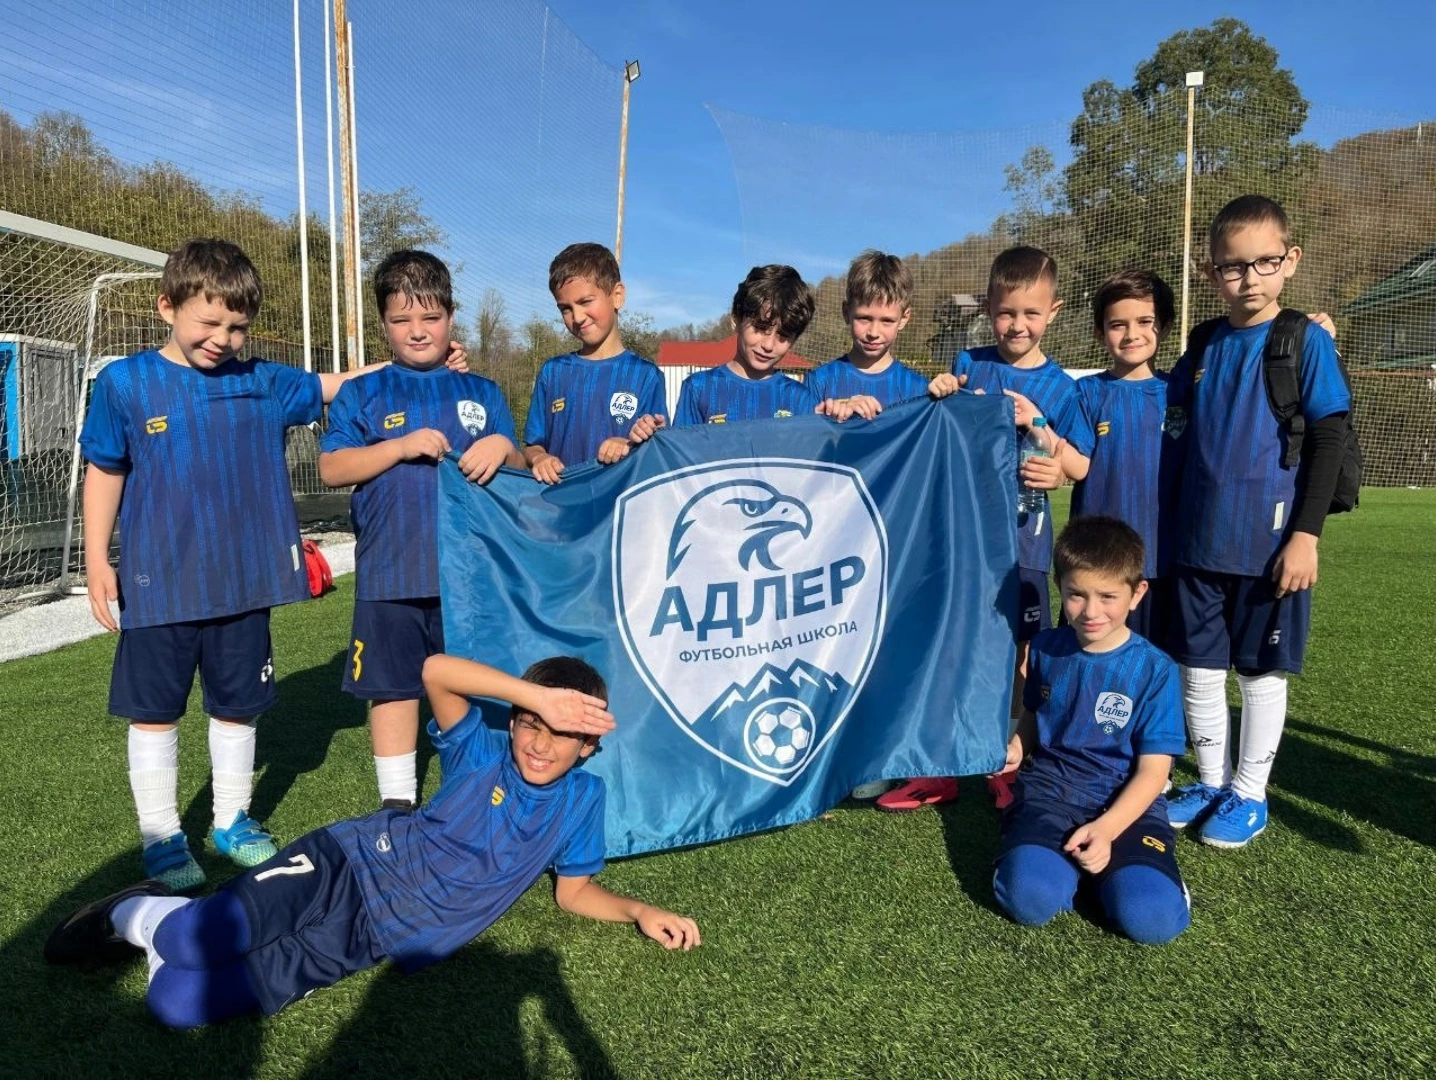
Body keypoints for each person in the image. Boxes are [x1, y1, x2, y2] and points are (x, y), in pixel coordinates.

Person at [79, 238, 463, 891]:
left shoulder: (261, 381)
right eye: (210, 322)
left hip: (242, 582)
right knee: (156, 712)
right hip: (157, 585)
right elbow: (105, 470)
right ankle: (162, 837)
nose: (223, 339)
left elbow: (336, 385)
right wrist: (95, 559)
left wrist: (421, 360)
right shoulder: (125, 384)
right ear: (166, 305)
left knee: (238, 707)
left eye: (237, 327)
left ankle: (231, 821)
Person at [45, 653, 701, 1029]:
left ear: (590, 746)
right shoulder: (483, 753)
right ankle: (139, 910)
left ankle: (174, 928)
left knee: (177, 1004)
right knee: (190, 941)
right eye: (531, 723)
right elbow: (435, 670)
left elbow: (575, 892)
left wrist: (641, 911)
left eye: (561, 734)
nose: (539, 742)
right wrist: (535, 695)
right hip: (347, 862)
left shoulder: (583, 800)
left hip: (373, 936)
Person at [1164, 195, 1351, 848]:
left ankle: (1250, 794)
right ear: (1210, 271)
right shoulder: (1204, 342)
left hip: (1269, 549)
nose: (1247, 278)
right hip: (1196, 544)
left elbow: (1329, 438)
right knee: (1199, 669)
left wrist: (1306, 536)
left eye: (1263, 263)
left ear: (1290, 260)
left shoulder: (1302, 340)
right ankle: (1213, 781)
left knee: (1260, 675)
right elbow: (1176, 419)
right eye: (1231, 267)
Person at [318, 250, 523, 812]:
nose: (417, 331)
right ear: (382, 324)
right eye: (402, 319)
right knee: (392, 689)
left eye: (430, 317)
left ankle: (479, 791)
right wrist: (400, 447)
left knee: (477, 684)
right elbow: (332, 467)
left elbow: (525, 467)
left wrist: (503, 446)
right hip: (390, 571)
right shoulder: (363, 393)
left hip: (471, 575)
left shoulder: (481, 393)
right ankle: (397, 804)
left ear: (451, 318)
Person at [897, 246, 1094, 812]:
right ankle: (949, 754)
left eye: (1031, 314)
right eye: (1007, 312)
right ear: (988, 308)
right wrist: (938, 390)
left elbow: (1081, 465)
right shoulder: (970, 363)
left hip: (1026, 542)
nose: (1018, 324)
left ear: (1052, 312)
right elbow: (937, 428)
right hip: (964, 540)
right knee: (955, 640)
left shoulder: (1062, 385)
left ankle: (1012, 750)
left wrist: (1045, 439)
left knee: (1022, 651)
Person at [993, 516, 1190, 945]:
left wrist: (1107, 829)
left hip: (1123, 801)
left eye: (1107, 596)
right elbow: (1034, 713)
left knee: (1150, 919)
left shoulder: (1154, 669)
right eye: (1076, 595)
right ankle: (1051, 866)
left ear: (1137, 594)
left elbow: (1154, 773)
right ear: (1060, 589)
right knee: (1030, 900)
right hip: (1050, 794)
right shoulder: (1045, 647)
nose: (1091, 610)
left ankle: (1130, 876)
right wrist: (1017, 744)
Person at [803, 251, 929, 801]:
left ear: (905, 318)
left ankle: (882, 750)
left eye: (885, 319)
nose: (873, 331)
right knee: (829, 644)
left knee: (888, 646)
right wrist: (826, 420)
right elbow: (797, 459)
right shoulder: (819, 382)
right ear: (846, 313)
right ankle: (826, 748)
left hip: (894, 545)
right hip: (831, 546)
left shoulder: (918, 386)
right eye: (863, 318)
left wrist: (944, 402)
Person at [1070, 270, 1185, 650]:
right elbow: (1074, 462)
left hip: (1162, 560)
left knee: (1155, 664)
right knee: (1088, 663)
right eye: (1117, 324)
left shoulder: (1181, 392)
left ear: (1164, 325)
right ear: (1100, 331)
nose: (1131, 333)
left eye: (1144, 322)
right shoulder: (1087, 392)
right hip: (1096, 564)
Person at [523, 243, 667, 483]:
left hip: (616, 513)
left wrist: (628, 444)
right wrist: (539, 459)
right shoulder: (553, 372)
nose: (577, 317)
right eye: (565, 309)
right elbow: (531, 445)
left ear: (617, 296)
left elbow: (658, 450)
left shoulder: (645, 375)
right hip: (560, 512)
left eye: (586, 301)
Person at [672, 265, 841, 426]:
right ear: (736, 319)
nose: (768, 345)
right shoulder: (699, 388)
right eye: (760, 328)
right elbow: (680, 452)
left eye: (783, 335)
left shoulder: (799, 398)